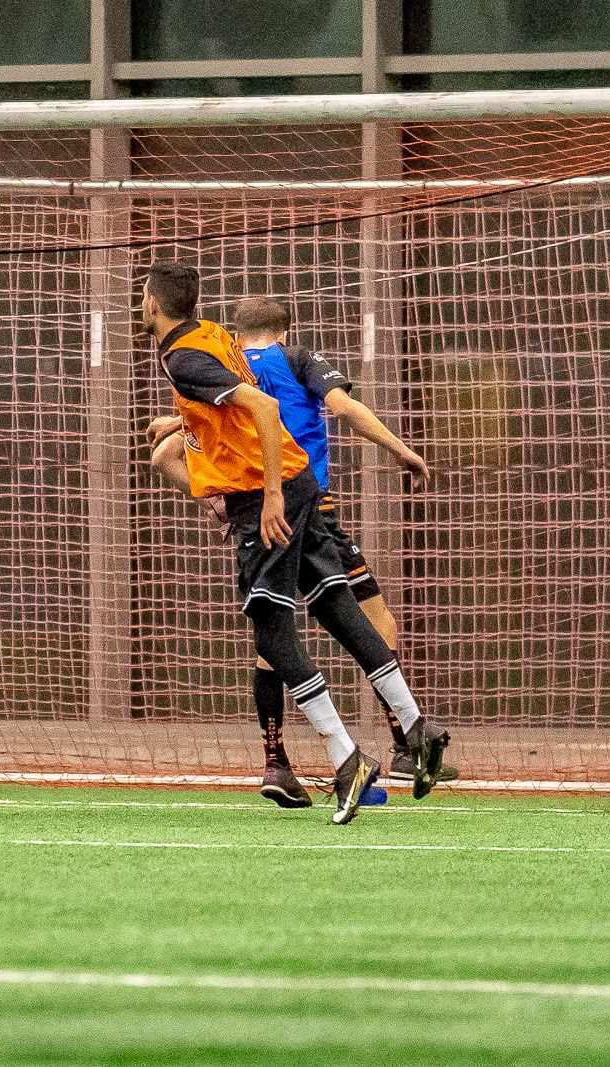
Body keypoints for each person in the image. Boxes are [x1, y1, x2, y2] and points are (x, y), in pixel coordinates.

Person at [139, 261, 448, 824]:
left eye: (141, 297)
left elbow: (263, 407)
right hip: (306, 485)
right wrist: (179, 418)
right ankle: (417, 726)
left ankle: (342, 755)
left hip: (267, 496)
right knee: (339, 609)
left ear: (152, 304)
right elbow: (237, 403)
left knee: (273, 637)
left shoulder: (186, 357)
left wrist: (271, 497)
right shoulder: (212, 336)